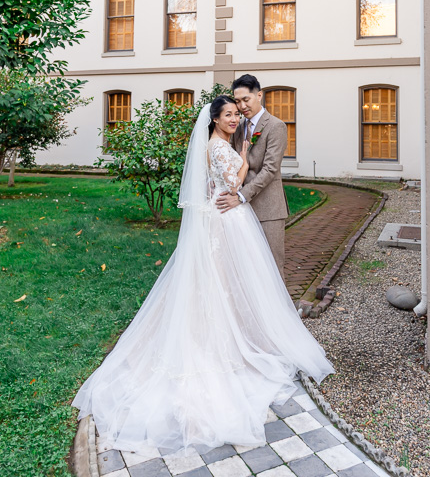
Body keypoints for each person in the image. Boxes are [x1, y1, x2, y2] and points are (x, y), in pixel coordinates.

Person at [72, 96, 333, 457]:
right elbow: (234, 182)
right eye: (227, 115)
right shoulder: (221, 147)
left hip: (217, 218)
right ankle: (229, 343)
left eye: (235, 115)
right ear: (214, 119)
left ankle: (232, 332)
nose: (233, 119)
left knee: (219, 284)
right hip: (226, 220)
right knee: (226, 284)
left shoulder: (213, 145)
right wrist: (243, 154)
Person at [216, 75, 288, 278]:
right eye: (237, 101)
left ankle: (279, 310)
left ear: (259, 95)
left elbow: (270, 169)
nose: (241, 106)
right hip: (241, 213)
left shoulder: (276, 126)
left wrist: (240, 196)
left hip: (268, 210)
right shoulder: (237, 127)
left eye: (245, 99)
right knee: (247, 270)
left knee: (272, 268)